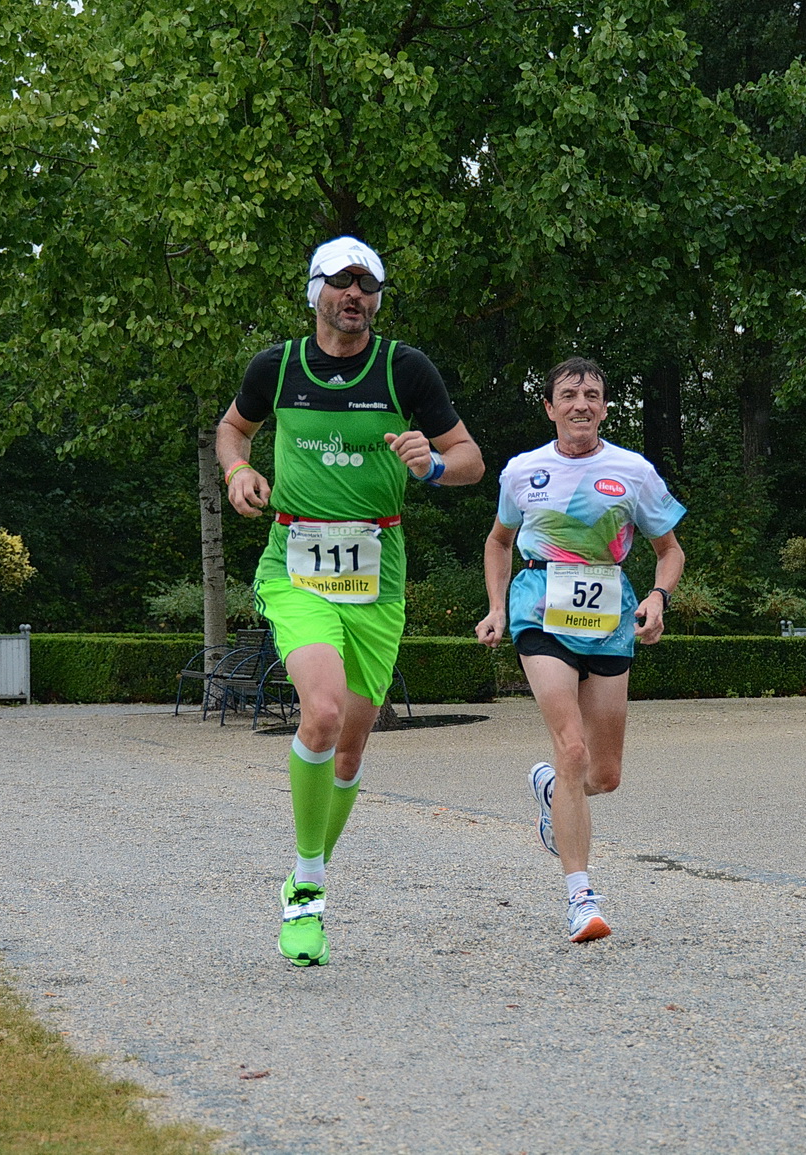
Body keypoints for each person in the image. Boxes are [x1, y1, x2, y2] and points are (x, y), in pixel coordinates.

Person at [215, 236, 484, 967]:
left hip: (377, 571)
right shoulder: (277, 367)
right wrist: (238, 470)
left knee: (353, 742)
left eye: (367, 283)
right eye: (341, 282)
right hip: (295, 562)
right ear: (316, 292)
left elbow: (470, 460)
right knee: (324, 711)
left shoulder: (405, 368)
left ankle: (309, 872)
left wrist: (432, 466)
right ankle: (306, 892)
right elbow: (232, 427)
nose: (355, 294)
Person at [475, 357, 686, 943]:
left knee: (603, 773)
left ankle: (550, 790)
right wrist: (496, 608)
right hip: (540, 606)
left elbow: (670, 550)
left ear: (604, 407)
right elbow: (499, 541)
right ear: (550, 407)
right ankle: (581, 899)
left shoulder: (633, 471)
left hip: (611, 615)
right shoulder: (522, 471)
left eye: (592, 394)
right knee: (571, 749)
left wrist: (659, 598)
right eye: (569, 394)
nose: (581, 404)